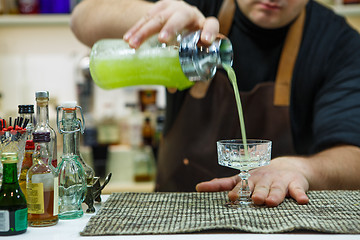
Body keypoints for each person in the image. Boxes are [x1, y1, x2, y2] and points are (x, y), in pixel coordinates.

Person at [71, 0, 360, 207]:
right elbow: (82, 17)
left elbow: (353, 158)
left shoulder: (337, 42)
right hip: (171, 216)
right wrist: (158, 15)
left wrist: (302, 170)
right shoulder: (200, 11)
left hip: (278, 220)